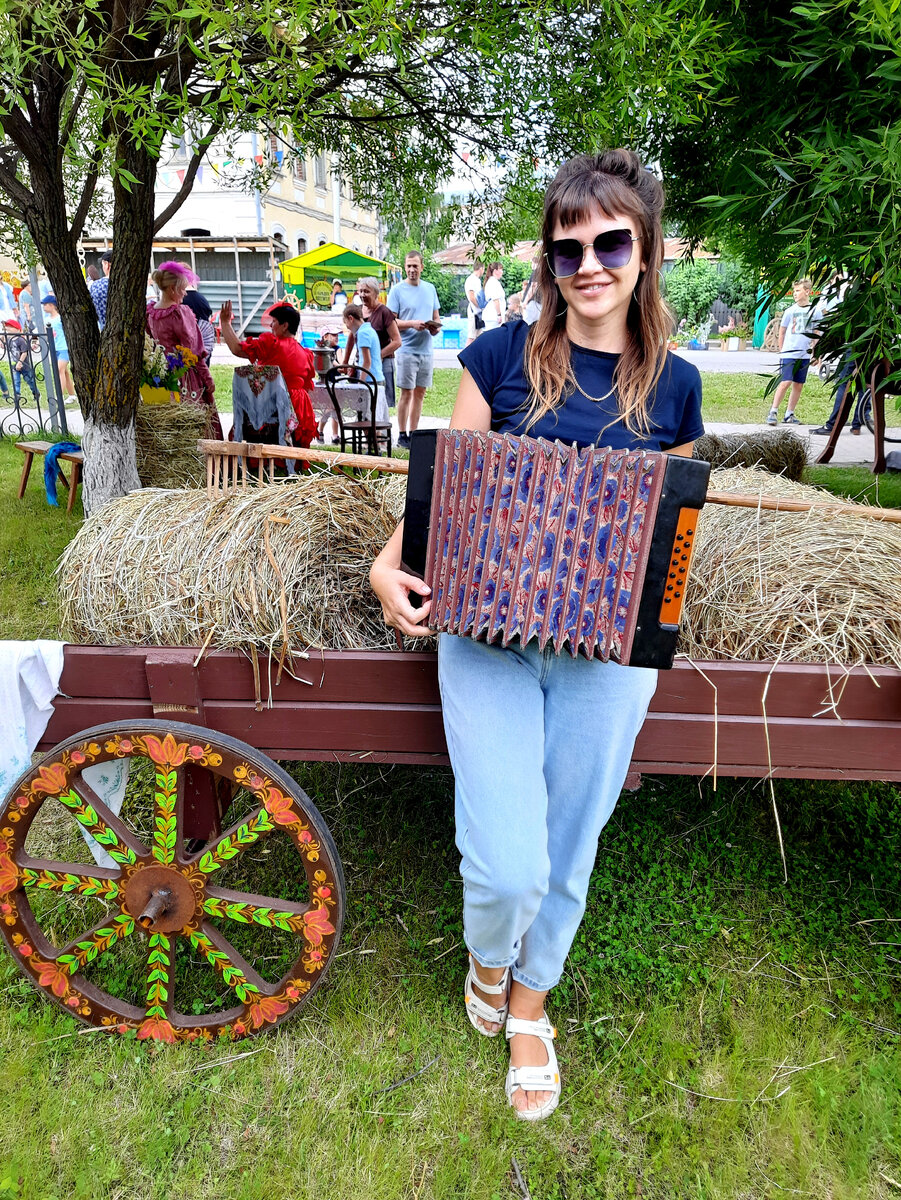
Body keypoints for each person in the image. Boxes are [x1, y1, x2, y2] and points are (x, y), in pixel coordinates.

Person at [370, 150, 703, 1121]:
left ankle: (529, 1008)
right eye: (568, 250)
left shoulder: (676, 388)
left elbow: (674, 532)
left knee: (568, 844)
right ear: (549, 263)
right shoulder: (495, 360)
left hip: (605, 657)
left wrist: (660, 611)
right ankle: (486, 953)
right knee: (506, 863)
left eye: (610, 242)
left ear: (643, 255)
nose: (589, 264)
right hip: (489, 639)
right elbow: (441, 493)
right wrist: (387, 564)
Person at [219, 299, 317, 448]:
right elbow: (308, 387)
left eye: (275, 321)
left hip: (271, 409)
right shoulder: (305, 354)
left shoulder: (272, 345)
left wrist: (225, 323)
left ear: (284, 326)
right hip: (299, 412)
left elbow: (237, 349)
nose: (271, 325)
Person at [147, 261, 222, 438]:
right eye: (182, 288)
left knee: (165, 428)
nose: (185, 292)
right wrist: (207, 379)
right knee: (195, 428)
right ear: (172, 289)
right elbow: (195, 352)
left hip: (159, 378)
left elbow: (150, 345)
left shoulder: (150, 313)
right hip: (184, 378)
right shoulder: (181, 313)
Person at [387, 251, 440, 448]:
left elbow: (436, 316)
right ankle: (402, 434)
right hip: (406, 349)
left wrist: (434, 327)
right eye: (408, 266)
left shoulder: (430, 289)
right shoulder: (397, 290)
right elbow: (390, 322)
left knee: (420, 393)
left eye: (415, 266)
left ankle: (415, 434)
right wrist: (411, 324)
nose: (411, 270)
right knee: (406, 393)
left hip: (426, 349)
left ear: (421, 267)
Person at [765, 278, 821, 425]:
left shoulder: (815, 311)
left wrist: (816, 353)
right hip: (789, 353)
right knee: (785, 381)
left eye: (798, 290)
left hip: (804, 354)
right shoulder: (790, 311)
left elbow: (816, 333)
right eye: (794, 291)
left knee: (798, 384)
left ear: (807, 292)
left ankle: (789, 413)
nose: (795, 294)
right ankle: (773, 411)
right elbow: (782, 331)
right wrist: (782, 349)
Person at [352, 277, 402, 412]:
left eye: (366, 292)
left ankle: (382, 433)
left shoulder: (384, 312)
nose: (362, 295)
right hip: (363, 364)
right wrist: (346, 362)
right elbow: (352, 336)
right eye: (360, 291)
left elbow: (397, 341)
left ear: (376, 294)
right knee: (362, 406)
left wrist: (378, 355)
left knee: (380, 406)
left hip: (383, 364)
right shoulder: (357, 311)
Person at [342, 303, 391, 433]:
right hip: (377, 378)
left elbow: (367, 362)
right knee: (374, 417)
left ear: (351, 318)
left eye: (345, 322)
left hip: (370, 381)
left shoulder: (363, 333)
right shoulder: (369, 329)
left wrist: (360, 383)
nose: (346, 326)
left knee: (368, 419)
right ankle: (375, 445)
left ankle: (372, 446)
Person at [40, 295, 76, 400]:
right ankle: (72, 395)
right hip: (54, 348)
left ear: (52, 305)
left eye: (45, 305)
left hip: (63, 347)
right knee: (64, 372)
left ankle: (59, 396)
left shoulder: (60, 318)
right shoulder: (47, 319)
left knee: (59, 369)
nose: (43, 307)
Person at [3, 317, 40, 405]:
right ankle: (17, 395)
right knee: (16, 380)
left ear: (18, 329)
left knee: (29, 380)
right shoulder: (9, 339)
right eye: (7, 327)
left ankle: (36, 393)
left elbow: (24, 352)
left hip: (24, 365)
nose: (7, 328)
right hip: (14, 364)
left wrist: (20, 363)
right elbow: (4, 347)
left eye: (10, 326)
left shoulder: (21, 340)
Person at [182, 288, 216, 358]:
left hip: (186, 340)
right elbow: (208, 313)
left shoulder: (180, 300)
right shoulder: (202, 298)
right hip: (203, 338)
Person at [464, 261, 486, 345]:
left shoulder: (476, 280)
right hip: (474, 311)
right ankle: (465, 356)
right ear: (481, 268)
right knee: (471, 336)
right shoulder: (471, 280)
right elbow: (471, 296)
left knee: (478, 335)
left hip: (478, 312)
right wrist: (480, 306)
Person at [90, 251, 113, 330]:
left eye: (102, 264)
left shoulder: (96, 286)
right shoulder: (129, 285)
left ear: (107, 264)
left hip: (105, 331)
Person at [482, 261, 507, 331]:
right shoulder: (493, 282)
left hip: (492, 316)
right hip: (493, 316)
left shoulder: (492, 281)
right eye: (501, 269)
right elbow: (496, 300)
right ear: (496, 271)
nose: (502, 272)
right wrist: (499, 315)